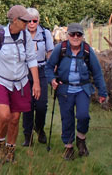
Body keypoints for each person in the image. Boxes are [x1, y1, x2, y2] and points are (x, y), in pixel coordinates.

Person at [0, 5, 40, 163]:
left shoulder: (26, 36)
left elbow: (32, 59)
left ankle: (10, 150)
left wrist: (36, 83)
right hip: (0, 80)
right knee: (4, 115)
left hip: (20, 82)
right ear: (14, 20)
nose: (27, 23)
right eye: (24, 20)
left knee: (14, 118)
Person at [45, 23, 108, 160]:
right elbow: (49, 67)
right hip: (64, 89)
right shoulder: (60, 49)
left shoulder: (87, 50)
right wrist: (52, 80)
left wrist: (102, 92)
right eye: (72, 34)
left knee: (83, 115)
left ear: (82, 36)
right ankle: (68, 147)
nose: (75, 37)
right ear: (68, 36)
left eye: (78, 34)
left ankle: (81, 140)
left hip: (82, 89)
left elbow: (97, 73)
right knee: (67, 118)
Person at [21, 7, 54, 146]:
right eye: (29, 20)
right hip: (25, 71)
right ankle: (28, 136)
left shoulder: (45, 34)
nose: (32, 23)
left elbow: (50, 54)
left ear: (38, 21)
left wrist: (52, 72)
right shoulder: (21, 34)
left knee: (41, 105)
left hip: (41, 71)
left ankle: (39, 128)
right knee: (27, 105)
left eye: (34, 20)